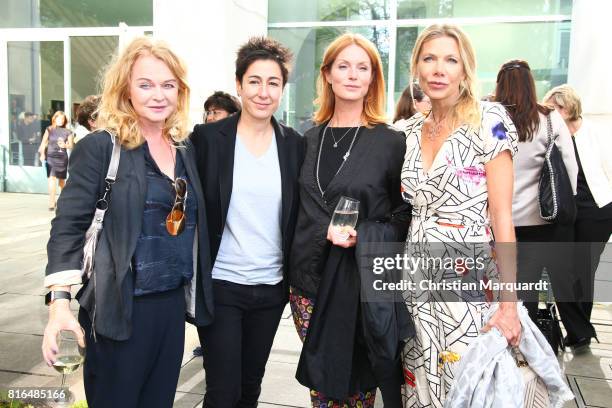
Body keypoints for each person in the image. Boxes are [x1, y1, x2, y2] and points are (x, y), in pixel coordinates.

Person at [41, 37, 213, 407]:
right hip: (118, 308)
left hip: (170, 309)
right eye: (146, 84)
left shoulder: (184, 149)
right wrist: (59, 307)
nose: (158, 95)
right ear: (126, 89)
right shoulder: (102, 147)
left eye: (168, 85)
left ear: (180, 92)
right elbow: (67, 228)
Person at [397, 24, 522, 406]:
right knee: (419, 379)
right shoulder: (404, 131)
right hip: (414, 276)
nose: (439, 69)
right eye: (429, 58)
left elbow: (502, 216)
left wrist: (509, 304)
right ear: (416, 67)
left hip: (469, 279)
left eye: (450, 60)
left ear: (465, 70)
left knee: (470, 381)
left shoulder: (491, 121)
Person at [289, 32, 412, 407]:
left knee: (357, 387)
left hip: (360, 282)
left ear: (373, 78)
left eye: (363, 68)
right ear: (327, 74)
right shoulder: (307, 140)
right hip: (307, 284)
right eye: (343, 66)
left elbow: (405, 211)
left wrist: (365, 235)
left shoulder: (391, 142)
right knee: (322, 386)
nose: (353, 75)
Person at [191, 37, 304, 407]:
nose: (263, 91)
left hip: (270, 288)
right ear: (239, 85)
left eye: (273, 83)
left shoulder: (293, 145)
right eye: (254, 81)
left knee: (249, 388)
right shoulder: (208, 139)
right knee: (223, 392)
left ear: (283, 90)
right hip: (221, 284)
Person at [494, 60, 579, 332]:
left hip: (495, 220)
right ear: (531, 86)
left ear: (500, 85)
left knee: (497, 287)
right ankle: (525, 352)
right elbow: (570, 166)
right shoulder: (550, 118)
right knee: (527, 291)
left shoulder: (492, 118)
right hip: (538, 220)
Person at [544, 84, 612, 351]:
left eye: (555, 108)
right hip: (565, 212)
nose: (551, 113)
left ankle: (580, 330)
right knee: (560, 269)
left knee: (584, 270)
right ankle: (580, 329)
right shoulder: (551, 134)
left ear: (568, 108)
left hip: (597, 210)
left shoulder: (595, 133)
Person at [38, 111, 73, 210]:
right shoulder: (49, 129)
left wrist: (65, 145)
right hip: (50, 157)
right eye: (59, 118)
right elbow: (43, 143)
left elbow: (71, 145)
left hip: (62, 158)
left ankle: (61, 200)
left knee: (61, 182)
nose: (61, 121)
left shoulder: (68, 131)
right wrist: (42, 154)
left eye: (62, 119)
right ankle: (52, 202)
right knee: (51, 179)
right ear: (54, 119)